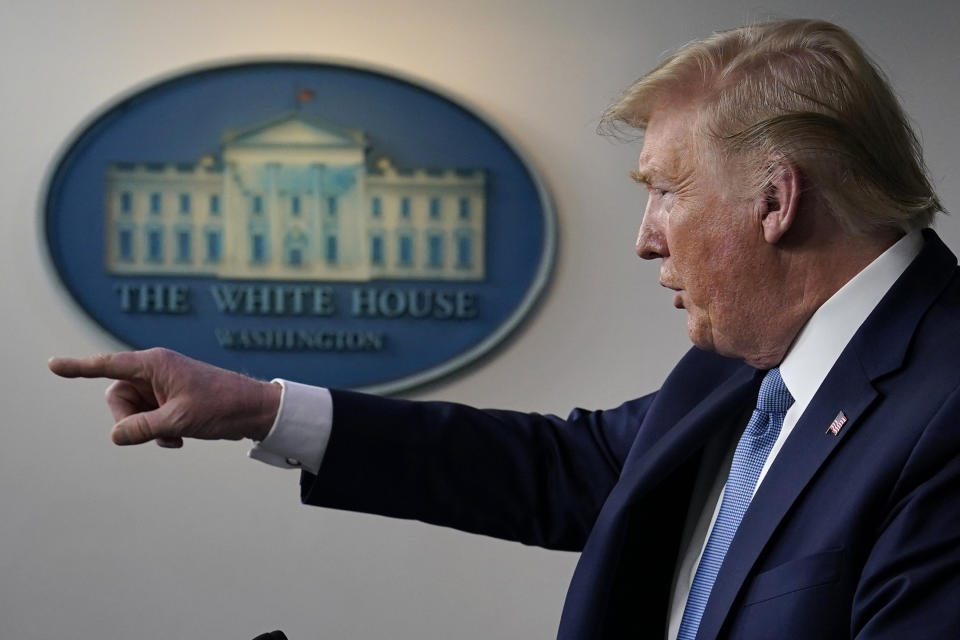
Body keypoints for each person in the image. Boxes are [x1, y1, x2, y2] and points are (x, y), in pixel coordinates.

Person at [49, 18, 960, 640]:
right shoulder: (746, 368)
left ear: (776, 199)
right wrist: (260, 408)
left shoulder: (946, 410)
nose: (646, 241)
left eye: (664, 191)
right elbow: (562, 470)